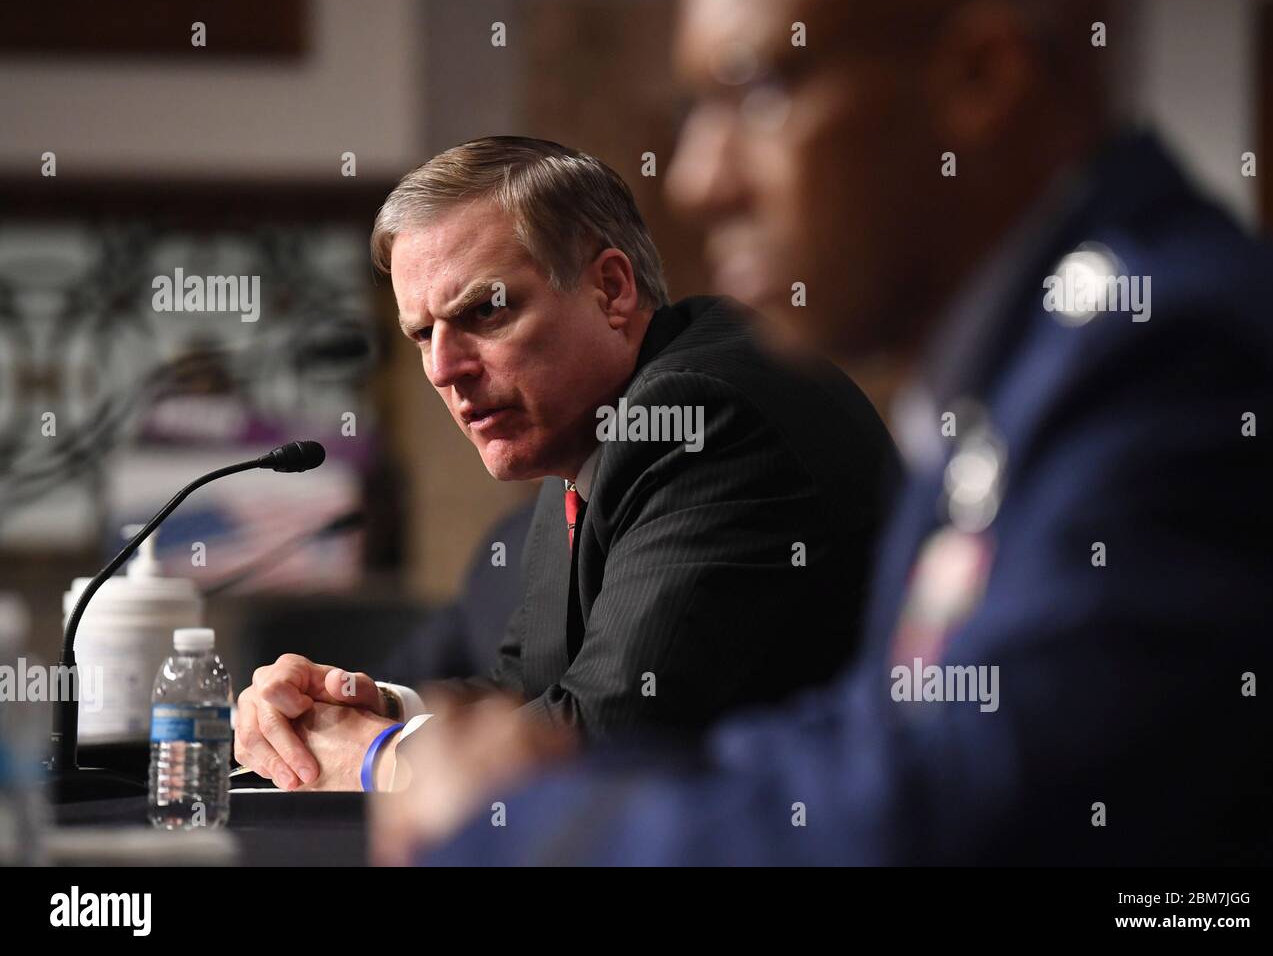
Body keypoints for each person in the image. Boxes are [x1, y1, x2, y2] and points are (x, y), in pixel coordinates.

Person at [389, 0, 1273, 864]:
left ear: (981, 76)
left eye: (758, 91)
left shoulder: (1172, 354)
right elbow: (888, 725)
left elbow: (962, 808)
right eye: (694, 110)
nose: (703, 180)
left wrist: (528, 822)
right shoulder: (1018, 364)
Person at [232, 136, 898, 791]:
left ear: (610, 289)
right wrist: (372, 710)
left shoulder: (699, 417)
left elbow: (611, 729)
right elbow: (530, 689)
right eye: (422, 334)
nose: (444, 369)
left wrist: (375, 759)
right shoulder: (586, 436)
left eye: (484, 311)